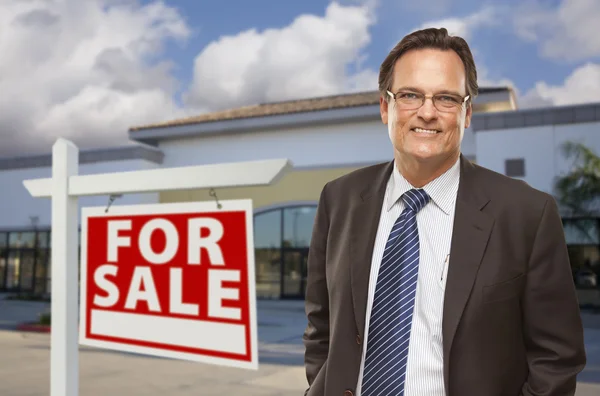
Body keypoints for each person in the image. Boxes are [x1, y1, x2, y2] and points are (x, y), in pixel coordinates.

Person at [302, 27, 586, 396]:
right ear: (385, 107)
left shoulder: (527, 213)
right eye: (410, 95)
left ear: (467, 113)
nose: (427, 112)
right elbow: (320, 325)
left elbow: (557, 357)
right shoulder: (338, 199)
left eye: (447, 99)